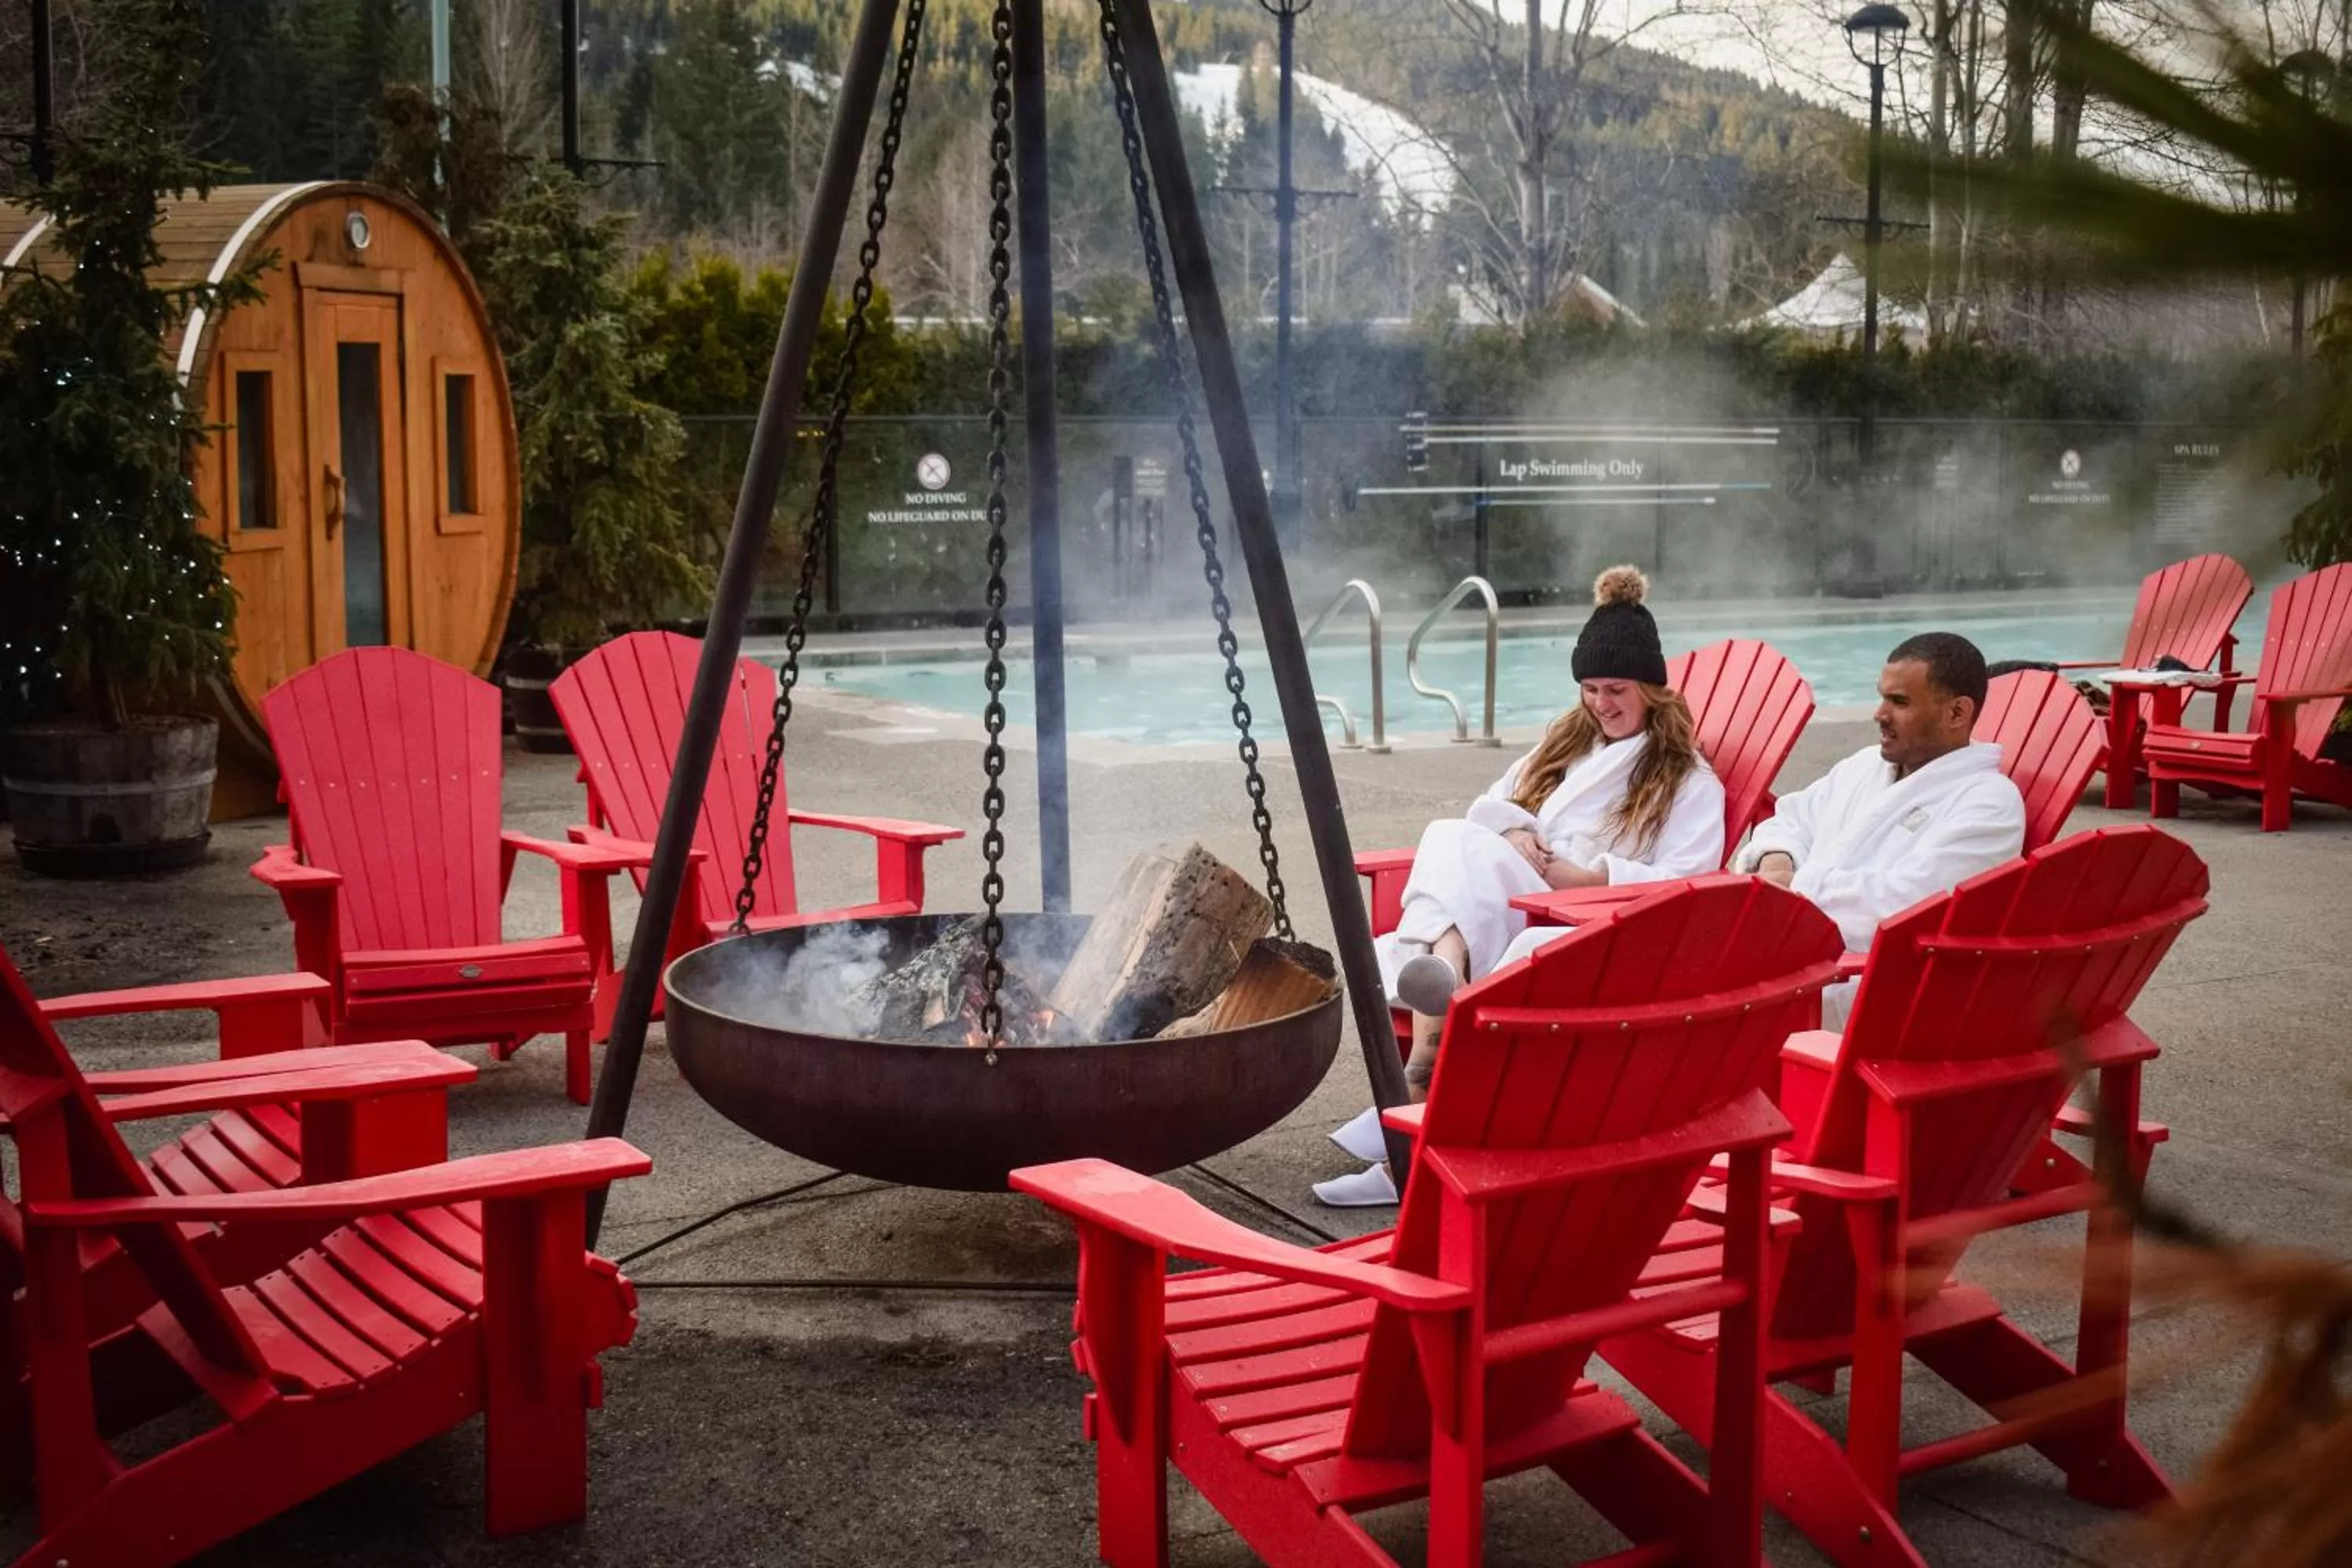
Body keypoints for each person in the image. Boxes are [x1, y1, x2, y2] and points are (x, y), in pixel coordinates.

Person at [1314, 565, 1726, 1207]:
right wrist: (1513, 835)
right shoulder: (1568, 744)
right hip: (1516, 900)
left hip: (1595, 928)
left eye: (1616, 689)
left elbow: (1693, 878)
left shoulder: (1688, 781)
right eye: (1589, 688)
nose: (1601, 704)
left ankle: (1418, 1100)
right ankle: (1441, 984)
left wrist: (1593, 878)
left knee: (1452, 848)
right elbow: (1493, 803)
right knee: (1457, 834)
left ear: (1653, 689)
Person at [1729, 630, 2025, 1023]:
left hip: (1880, 990)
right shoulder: (1865, 766)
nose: (1879, 713)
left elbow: (1908, 907)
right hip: (1802, 953)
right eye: (1882, 696)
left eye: (1899, 702)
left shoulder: (1988, 804)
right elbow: (1793, 817)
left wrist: (1793, 893)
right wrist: (1778, 861)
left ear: (1957, 713)